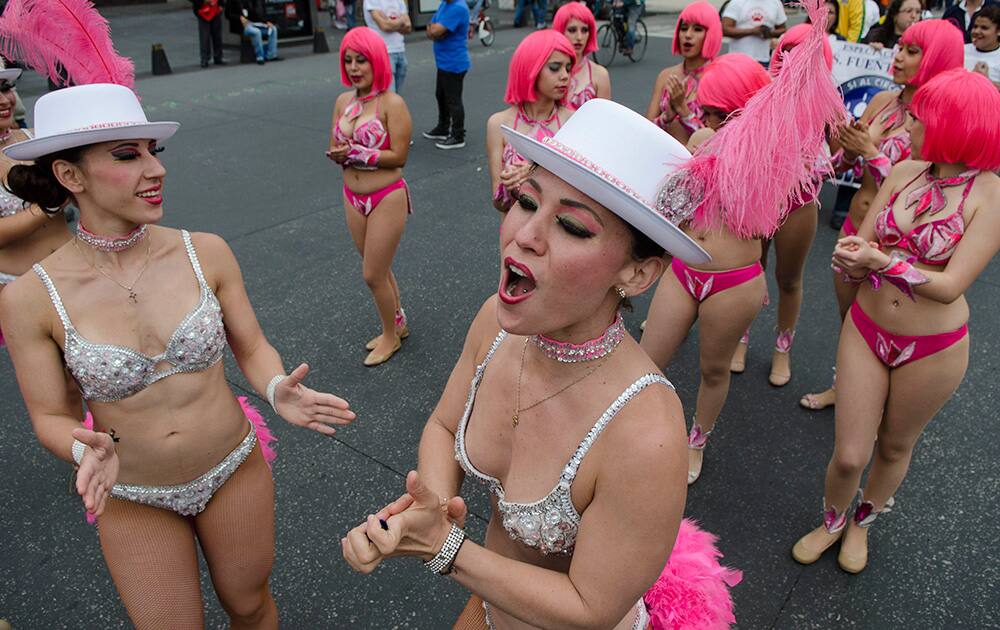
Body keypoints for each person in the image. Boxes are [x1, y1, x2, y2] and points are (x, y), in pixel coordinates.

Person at [342, 97, 744, 630]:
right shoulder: (496, 323)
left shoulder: (648, 433)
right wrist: (431, 506)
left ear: (639, 274)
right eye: (526, 202)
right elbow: (443, 426)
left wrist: (445, 547)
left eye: (573, 227)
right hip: (489, 608)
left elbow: (591, 607)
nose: (525, 235)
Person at [1, 82, 356, 628]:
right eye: (127, 155)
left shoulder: (205, 250)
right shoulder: (29, 298)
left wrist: (275, 385)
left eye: (152, 151)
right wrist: (81, 452)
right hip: (134, 492)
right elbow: (49, 416)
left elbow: (253, 346)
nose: (155, 169)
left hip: (233, 468)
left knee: (250, 605)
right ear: (70, 176)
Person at [792, 68, 1000, 575]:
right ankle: (833, 521)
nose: (907, 126)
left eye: (920, 118)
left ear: (955, 124)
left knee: (895, 445)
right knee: (849, 454)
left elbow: (951, 284)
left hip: (934, 347)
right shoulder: (906, 171)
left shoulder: (990, 194)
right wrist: (849, 253)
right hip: (866, 326)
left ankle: (863, 522)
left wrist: (881, 263)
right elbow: (861, 235)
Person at [642, 0, 845, 486]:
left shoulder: (778, 160)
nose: (707, 118)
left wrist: (812, 40)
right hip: (685, 270)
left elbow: (812, 143)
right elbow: (667, 202)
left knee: (714, 372)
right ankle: (637, 432)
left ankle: (697, 440)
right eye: (704, 110)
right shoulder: (699, 140)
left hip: (734, 282)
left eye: (717, 111)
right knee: (646, 361)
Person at [801, 19, 965, 410]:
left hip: (900, 250)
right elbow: (842, 167)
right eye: (900, 47)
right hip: (856, 228)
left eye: (912, 51)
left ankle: (879, 406)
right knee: (851, 319)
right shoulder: (880, 102)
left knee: (887, 324)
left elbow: (921, 191)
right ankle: (848, 389)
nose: (899, 56)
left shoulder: (938, 122)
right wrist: (840, 154)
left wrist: (872, 154)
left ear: (937, 59)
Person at [730, 25, 835, 386]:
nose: (795, 61)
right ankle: (740, 338)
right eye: (788, 52)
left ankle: (782, 347)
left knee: (788, 279)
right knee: (751, 272)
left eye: (806, 54)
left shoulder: (828, 104)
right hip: (760, 197)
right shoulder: (761, 95)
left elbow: (844, 155)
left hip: (800, 203)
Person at [327, 28, 413, 366]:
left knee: (372, 274)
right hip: (352, 194)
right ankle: (398, 322)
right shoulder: (343, 102)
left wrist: (362, 154)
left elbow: (400, 155)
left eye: (361, 59)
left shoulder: (392, 103)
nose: (353, 66)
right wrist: (339, 153)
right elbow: (336, 143)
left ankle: (390, 338)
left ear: (376, 60)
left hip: (386, 196)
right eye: (348, 60)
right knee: (379, 268)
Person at [0, 61, 75, 351]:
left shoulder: (39, 138)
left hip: (77, 273)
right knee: (57, 387)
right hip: (18, 288)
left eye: (7, 88)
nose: (4, 100)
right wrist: (45, 208)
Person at [487, 30, 576, 212]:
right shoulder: (498, 124)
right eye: (555, 67)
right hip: (514, 233)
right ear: (531, 68)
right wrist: (509, 186)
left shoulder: (574, 121)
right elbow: (499, 204)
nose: (565, 75)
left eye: (568, 68)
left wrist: (535, 173)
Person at [645, 0, 722, 145]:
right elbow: (644, 130)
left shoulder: (719, 79)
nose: (688, 35)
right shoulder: (666, 75)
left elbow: (716, 142)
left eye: (697, 29)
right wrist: (666, 117)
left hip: (696, 164)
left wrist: (684, 111)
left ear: (711, 34)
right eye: (684, 28)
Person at [424, 0, 471, 150]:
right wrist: (435, 31)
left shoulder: (457, 7)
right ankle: (443, 128)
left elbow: (436, 31)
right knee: (441, 95)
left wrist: (436, 31)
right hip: (443, 62)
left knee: (453, 100)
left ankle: (458, 135)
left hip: (454, 63)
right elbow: (431, 28)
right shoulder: (445, 4)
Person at [552, 1, 611, 109]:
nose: (579, 37)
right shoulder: (544, 72)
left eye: (584, 30)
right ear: (560, 31)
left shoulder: (600, 75)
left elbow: (605, 122)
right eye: (572, 30)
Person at [364, 0, 412, 92]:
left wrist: (391, 23)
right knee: (389, 98)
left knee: (397, 99)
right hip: (383, 53)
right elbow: (385, 26)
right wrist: (401, 20)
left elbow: (408, 27)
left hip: (400, 51)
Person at [721, 0, 788, 66]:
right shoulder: (736, 2)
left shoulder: (775, 2)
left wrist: (770, 33)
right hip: (738, 60)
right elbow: (725, 29)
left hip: (763, 60)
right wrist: (753, 31)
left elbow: (782, 29)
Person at [964, 6, 1000, 86]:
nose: (976, 31)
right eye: (975, 26)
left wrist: (985, 82)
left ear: (998, 31)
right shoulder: (961, 50)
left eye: (984, 28)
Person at [239, 0, 280, 65]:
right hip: (243, 26)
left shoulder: (258, 2)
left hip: (256, 23)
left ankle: (271, 55)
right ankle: (260, 57)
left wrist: (267, 22)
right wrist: (239, 18)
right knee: (257, 32)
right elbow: (228, 14)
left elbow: (258, 16)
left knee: (273, 29)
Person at [190, 0, 226, 67]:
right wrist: (202, 1)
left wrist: (221, 5)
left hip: (215, 9)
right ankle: (204, 59)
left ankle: (218, 57)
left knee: (217, 36)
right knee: (204, 37)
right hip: (202, 10)